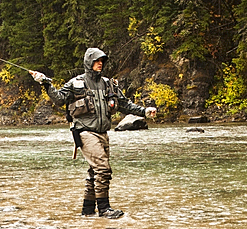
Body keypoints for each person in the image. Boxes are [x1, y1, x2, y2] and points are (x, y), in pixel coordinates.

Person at [30, 48, 156, 218]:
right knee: (103, 169)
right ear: (89, 62)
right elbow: (59, 99)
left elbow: (124, 104)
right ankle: (104, 209)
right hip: (85, 133)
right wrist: (45, 83)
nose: (100, 63)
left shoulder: (108, 84)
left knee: (94, 172)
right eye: (97, 60)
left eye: (102, 61)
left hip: (103, 133)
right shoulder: (75, 83)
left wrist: (144, 111)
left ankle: (87, 210)